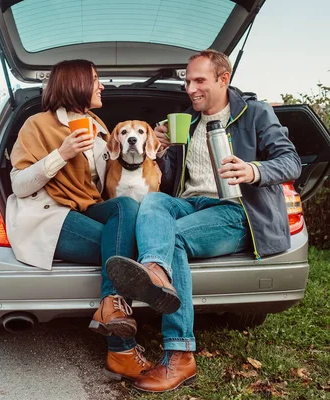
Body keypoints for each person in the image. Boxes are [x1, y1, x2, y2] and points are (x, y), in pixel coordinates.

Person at [105, 49, 301, 393]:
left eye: (199, 81)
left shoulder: (254, 112)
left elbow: (291, 162)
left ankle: (179, 354)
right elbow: (172, 178)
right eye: (187, 81)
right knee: (153, 201)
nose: (190, 89)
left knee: (173, 238)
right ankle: (156, 270)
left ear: (223, 79)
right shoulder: (188, 120)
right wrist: (162, 153)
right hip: (191, 204)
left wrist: (253, 170)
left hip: (237, 210)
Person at [6, 59, 158, 380]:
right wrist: (61, 153)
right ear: (75, 84)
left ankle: (109, 306)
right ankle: (122, 349)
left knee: (125, 208)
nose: (102, 86)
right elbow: (19, 184)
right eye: (95, 79)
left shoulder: (99, 127)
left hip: (87, 208)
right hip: (51, 215)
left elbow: (109, 180)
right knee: (124, 252)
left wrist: (154, 146)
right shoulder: (37, 125)